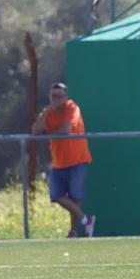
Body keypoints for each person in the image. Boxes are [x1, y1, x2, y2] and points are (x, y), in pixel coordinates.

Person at [31, 82, 96, 238]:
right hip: (58, 163)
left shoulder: (72, 108)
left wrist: (51, 135)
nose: (56, 100)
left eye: (59, 96)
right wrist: (46, 112)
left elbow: (66, 129)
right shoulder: (49, 112)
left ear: (65, 97)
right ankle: (86, 220)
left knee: (75, 198)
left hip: (77, 160)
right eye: (53, 96)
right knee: (56, 195)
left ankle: (73, 231)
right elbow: (35, 131)